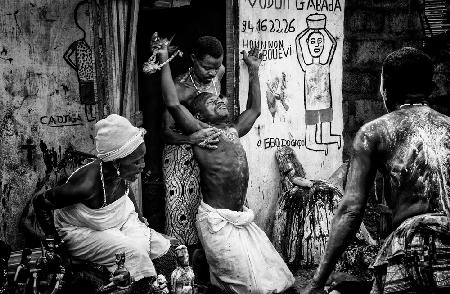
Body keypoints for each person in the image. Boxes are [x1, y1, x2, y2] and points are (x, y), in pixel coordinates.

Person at [302, 47, 450, 294]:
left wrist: (317, 282)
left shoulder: (373, 132)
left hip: (412, 245)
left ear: (386, 89)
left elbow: (350, 211)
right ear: (431, 88)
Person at [158, 45, 295, 293]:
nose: (219, 100)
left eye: (219, 98)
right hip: (218, 220)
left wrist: (254, 70)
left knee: (275, 277)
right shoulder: (202, 133)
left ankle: (206, 272)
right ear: (199, 115)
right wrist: (164, 61)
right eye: (212, 101)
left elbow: (255, 109)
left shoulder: (232, 130)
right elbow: (173, 103)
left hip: (240, 217)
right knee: (250, 286)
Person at [33, 114, 175, 292]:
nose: (143, 165)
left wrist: (139, 216)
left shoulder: (118, 172)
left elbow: (125, 188)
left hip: (116, 220)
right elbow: (40, 202)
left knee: (162, 247)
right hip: (82, 231)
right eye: (136, 161)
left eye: (143, 158)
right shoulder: (86, 185)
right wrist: (58, 246)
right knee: (135, 254)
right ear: (116, 162)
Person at [161, 36, 225, 249]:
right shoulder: (180, 88)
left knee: (210, 208)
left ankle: (210, 257)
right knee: (180, 208)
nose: (212, 73)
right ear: (193, 59)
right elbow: (165, 132)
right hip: (180, 150)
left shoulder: (219, 73)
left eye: (216, 67)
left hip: (208, 150)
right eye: (207, 67)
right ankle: (182, 259)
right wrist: (190, 139)